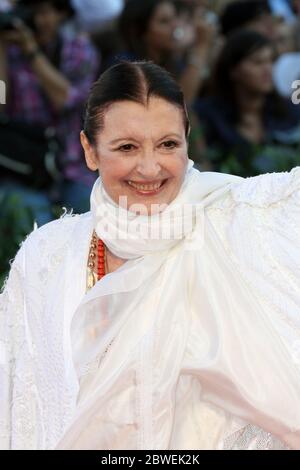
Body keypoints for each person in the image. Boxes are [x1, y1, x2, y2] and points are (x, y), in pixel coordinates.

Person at [0, 60, 300, 450]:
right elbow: (22, 403)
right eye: (126, 147)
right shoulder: (48, 254)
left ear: (187, 139)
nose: (149, 167)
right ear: (89, 151)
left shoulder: (243, 216)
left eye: (167, 144)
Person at [0, 0, 100, 217]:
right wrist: (1, 51)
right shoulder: (10, 52)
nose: (37, 21)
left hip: (72, 166)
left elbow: (65, 99)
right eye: (31, 13)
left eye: (44, 13)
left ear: (61, 13)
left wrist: (31, 51)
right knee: (31, 222)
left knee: (94, 218)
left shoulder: (79, 51)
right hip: (23, 167)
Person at [194, 30, 300, 176]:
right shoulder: (208, 115)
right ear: (233, 70)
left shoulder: (290, 112)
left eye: (271, 61)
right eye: (258, 62)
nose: (268, 69)